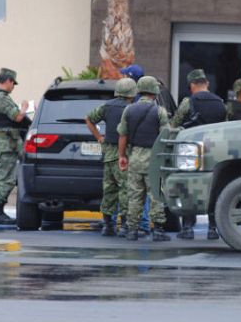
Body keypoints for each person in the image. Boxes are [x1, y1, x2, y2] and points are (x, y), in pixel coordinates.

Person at [170, 69, 226, 240]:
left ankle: (187, 228)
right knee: (215, 186)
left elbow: (174, 124)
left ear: (192, 85)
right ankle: (212, 228)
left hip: (192, 150)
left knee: (188, 186)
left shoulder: (188, 102)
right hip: (215, 149)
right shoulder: (220, 102)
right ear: (206, 83)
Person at [118, 76, 171, 242]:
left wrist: (122, 156)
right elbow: (165, 136)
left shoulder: (129, 110)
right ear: (154, 92)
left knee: (134, 196)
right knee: (156, 194)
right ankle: (158, 230)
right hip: (154, 158)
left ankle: (132, 230)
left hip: (134, 157)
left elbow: (123, 135)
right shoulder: (160, 111)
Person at [85, 78, 138, 237]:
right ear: (132, 93)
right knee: (125, 189)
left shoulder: (107, 106)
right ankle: (125, 226)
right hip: (124, 154)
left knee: (109, 190)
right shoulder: (132, 109)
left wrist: (99, 138)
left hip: (108, 154)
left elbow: (88, 119)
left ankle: (108, 225)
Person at [0, 68, 31, 225]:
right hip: (5, 144)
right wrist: (24, 107)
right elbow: (17, 117)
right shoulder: (1, 97)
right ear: (8, 80)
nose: (13, 87)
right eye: (13, 83)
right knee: (4, 178)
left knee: (3, 177)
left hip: (2, 143)